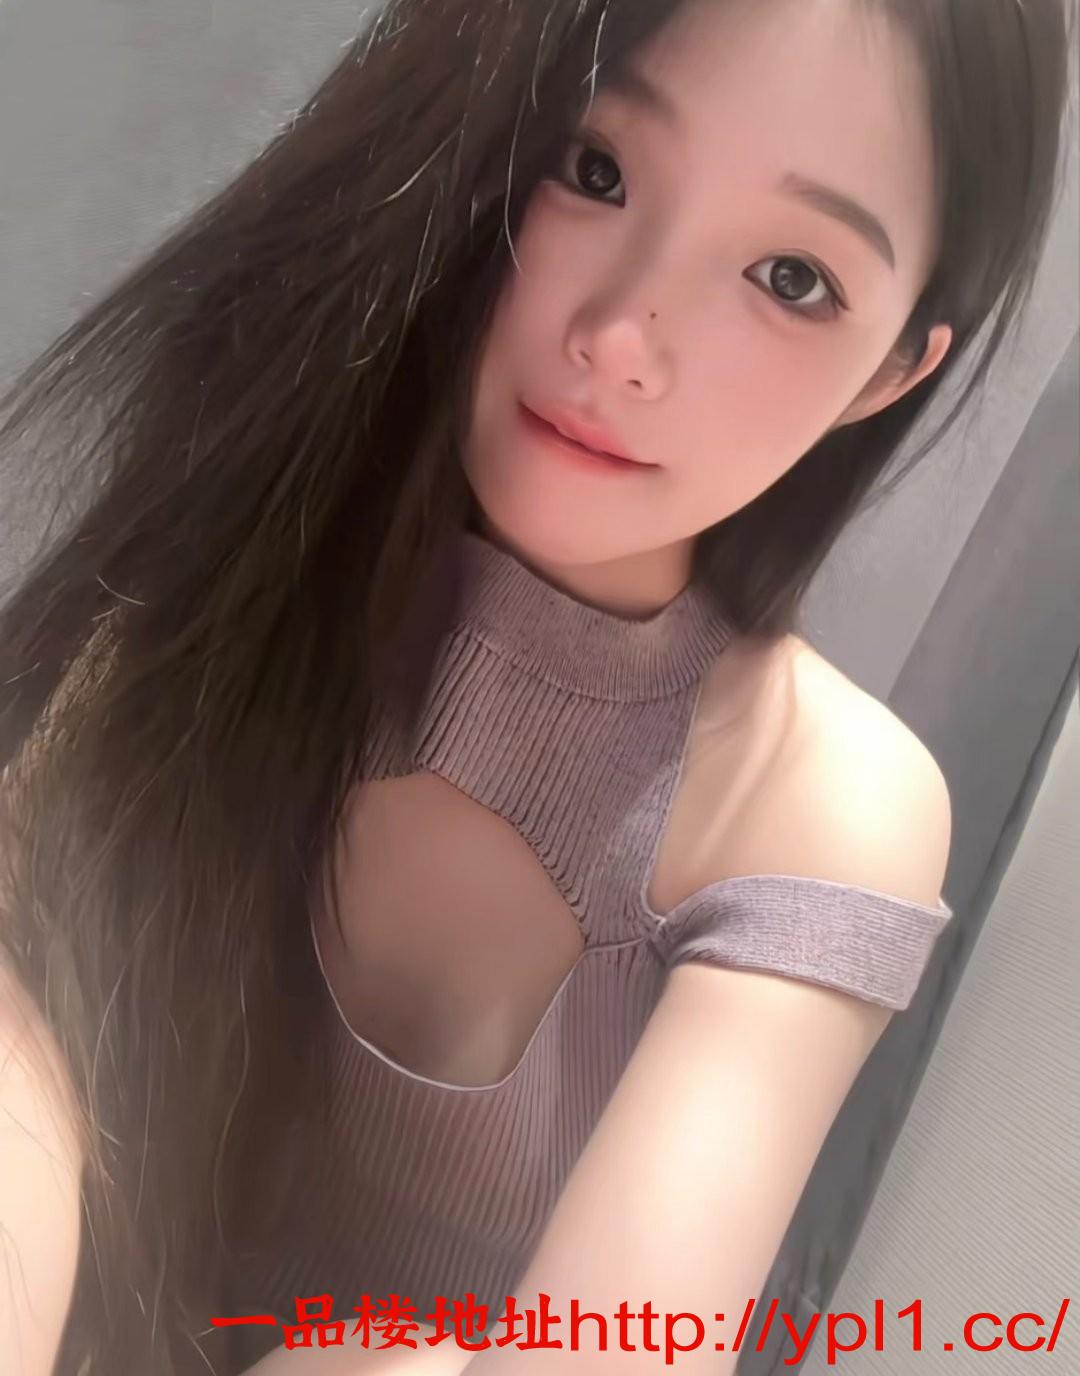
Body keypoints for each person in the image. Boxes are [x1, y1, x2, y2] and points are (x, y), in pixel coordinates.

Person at [0, 0, 1072, 1371]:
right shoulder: (262, 546)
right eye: (597, 168)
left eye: (792, 276)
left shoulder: (816, 803)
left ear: (894, 369)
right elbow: (29, 981)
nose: (624, 334)